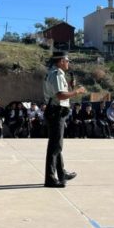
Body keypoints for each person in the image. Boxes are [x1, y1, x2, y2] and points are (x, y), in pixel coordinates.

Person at [42, 51, 85, 188]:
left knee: (56, 145)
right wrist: (77, 91)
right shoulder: (56, 74)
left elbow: (62, 93)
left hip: (56, 111)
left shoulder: (56, 73)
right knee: (55, 146)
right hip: (56, 111)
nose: (68, 62)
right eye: (67, 60)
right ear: (61, 61)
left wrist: (71, 86)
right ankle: (50, 179)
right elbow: (60, 95)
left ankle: (61, 173)